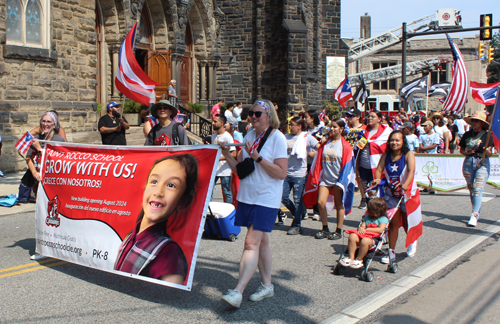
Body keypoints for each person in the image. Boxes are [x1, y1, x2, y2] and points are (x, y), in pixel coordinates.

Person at [219, 100, 287, 308]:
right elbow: (240, 169)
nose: (253, 117)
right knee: (262, 242)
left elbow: (281, 172)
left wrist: (258, 158)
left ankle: (238, 291)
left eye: (258, 113)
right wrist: (225, 154)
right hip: (248, 196)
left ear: (268, 115)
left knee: (250, 243)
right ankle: (267, 286)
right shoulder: (249, 136)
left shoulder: (277, 137)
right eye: (251, 113)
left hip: (266, 198)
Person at [114, 154, 198, 284]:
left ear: (182, 201)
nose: (158, 192)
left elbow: (170, 298)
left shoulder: (169, 252)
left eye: (171, 185)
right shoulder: (131, 236)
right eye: (154, 182)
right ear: (144, 189)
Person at [372, 130, 418, 264]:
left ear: (403, 142)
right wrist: (376, 179)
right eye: (392, 140)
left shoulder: (408, 154)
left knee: (406, 222)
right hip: (391, 194)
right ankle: (391, 253)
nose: (394, 143)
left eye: (397, 140)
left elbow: (411, 171)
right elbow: (379, 170)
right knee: (393, 224)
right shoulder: (386, 155)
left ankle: (412, 241)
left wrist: (406, 184)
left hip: (406, 194)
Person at [313, 119, 354, 240]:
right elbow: (319, 160)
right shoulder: (326, 143)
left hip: (338, 180)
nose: (332, 129)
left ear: (341, 129)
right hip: (326, 178)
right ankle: (325, 228)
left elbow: (347, 166)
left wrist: (342, 182)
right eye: (331, 127)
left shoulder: (345, 146)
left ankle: (338, 230)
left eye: (335, 127)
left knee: (339, 205)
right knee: (320, 202)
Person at [282, 117, 319, 235]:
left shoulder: (306, 137)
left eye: (292, 124)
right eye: (289, 124)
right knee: (284, 198)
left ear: (300, 126)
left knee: (298, 200)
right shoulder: (285, 137)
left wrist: (313, 153)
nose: (290, 126)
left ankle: (297, 225)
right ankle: (299, 214)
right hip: (286, 173)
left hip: (299, 174)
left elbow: (321, 148)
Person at [459, 111, 494, 227]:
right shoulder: (467, 135)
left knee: (477, 189)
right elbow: (462, 150)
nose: (473, 122)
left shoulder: (488, 135)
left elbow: (490, 153)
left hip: (482, 163)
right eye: (472, 120)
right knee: (471, 189)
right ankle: (476, 210)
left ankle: (474, 215)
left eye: (476, 121)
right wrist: (466, 152)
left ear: (482, 123)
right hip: (469, 162)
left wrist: (486, 150)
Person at [356, 111, 392, 209]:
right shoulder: (363, 132)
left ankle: (376, 216)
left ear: (379, 119)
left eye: (372, 116)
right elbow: (358, 149)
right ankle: (370, 214)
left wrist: (371, 144)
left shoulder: (387, 132)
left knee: (374, 192)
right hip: (364, 166)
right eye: (368, 116)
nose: (369, 118)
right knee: (367, 192)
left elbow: (388, 148)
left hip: (377, 167)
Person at [26, 112, 66, 196]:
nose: (45, 124)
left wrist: (39, 149)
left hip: (53, 179)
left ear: (54, 124)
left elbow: (57, 160)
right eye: (43, 121)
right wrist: (34, 173)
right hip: (38, 178)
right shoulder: (37, 138)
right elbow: (28, 158)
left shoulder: (59, 141)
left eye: (48, 122)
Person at [340, 198, 388, 269]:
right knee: (352, 236)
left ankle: (359, 259)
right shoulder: (367, 218)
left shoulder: (383, 219)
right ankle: (351, 257)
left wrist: (367, 229)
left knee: (365, 240)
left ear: (376, 210)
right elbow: (362, 225)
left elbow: (381, 229)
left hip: (373, 240)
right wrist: (361, 228)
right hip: (362, 236)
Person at [211, 114, 236, 203]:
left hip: (225, 170)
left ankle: (228, 210)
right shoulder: (213, 136)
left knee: (227, 192)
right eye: (213, 121)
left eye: (215, 121)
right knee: (209, 191)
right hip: (214, 169)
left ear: (221, 123)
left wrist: (220, 158)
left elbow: (233, 154)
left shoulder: (227, 136)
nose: (213, 123)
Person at [303, 110, 323, 220]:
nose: (304, 119)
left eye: (306, 117)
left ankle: (317, 210)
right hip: (305, 162)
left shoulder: (322, 130)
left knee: (316, 186)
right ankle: (304, 210)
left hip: (317, 163)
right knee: (304, 186)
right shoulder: (304, 131)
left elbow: (325, 146)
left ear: (312, 118)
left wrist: (316, 153)